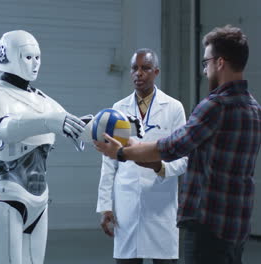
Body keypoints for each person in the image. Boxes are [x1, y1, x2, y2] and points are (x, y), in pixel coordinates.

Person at [95, 25, 261, 264]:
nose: (205, 70)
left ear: (220, 63)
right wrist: (106, 203)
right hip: (236, 223)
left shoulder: (213, 106)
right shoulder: (254, 109)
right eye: (135, 68)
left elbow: (172, 148)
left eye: (207, 62)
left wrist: (123, 151)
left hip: (207, 223)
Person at [0, 30, 86, 264]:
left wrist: (115, 126)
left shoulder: (42, 99)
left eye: (38, 57)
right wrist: (50, 121)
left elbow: (76, 125)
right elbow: (4, 128)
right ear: (8, 56)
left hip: (39, 200)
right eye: (28, 57)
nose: (35, 64)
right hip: (6, 196)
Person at [96, 49, 187, 264]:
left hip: (160, 203)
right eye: (134, 68)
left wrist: (161, 167)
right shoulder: (118, 109)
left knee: (164, 259)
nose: (139, 73)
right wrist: (105, 206)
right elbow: (108, 163)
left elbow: (184, 158)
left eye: (145, 68)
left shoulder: (173, 108)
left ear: (156, 72)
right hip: (126, 203)